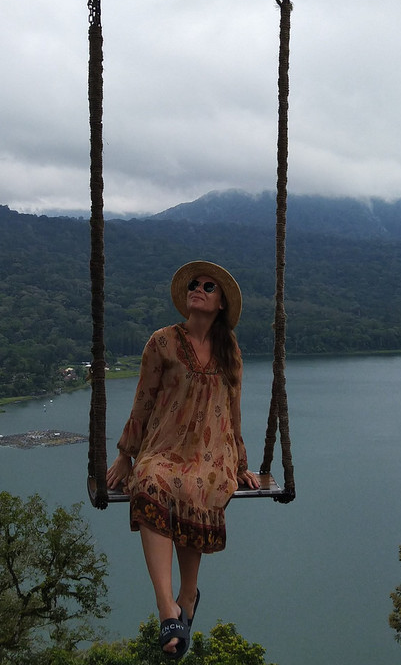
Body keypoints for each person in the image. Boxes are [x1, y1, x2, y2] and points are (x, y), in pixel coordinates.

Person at [106, 260, 260, 659]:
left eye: (209, 287)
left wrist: (241, 464)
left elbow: (235, 409)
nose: (199, 289)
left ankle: (188, 595)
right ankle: (167, 607)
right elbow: (143, 400)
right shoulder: (162, 342)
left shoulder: (230, 350)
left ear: (221, 303)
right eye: (195, 284)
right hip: (165, 445)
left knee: (197, 483)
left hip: (214, 452)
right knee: (152, 480)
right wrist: (126, 455)